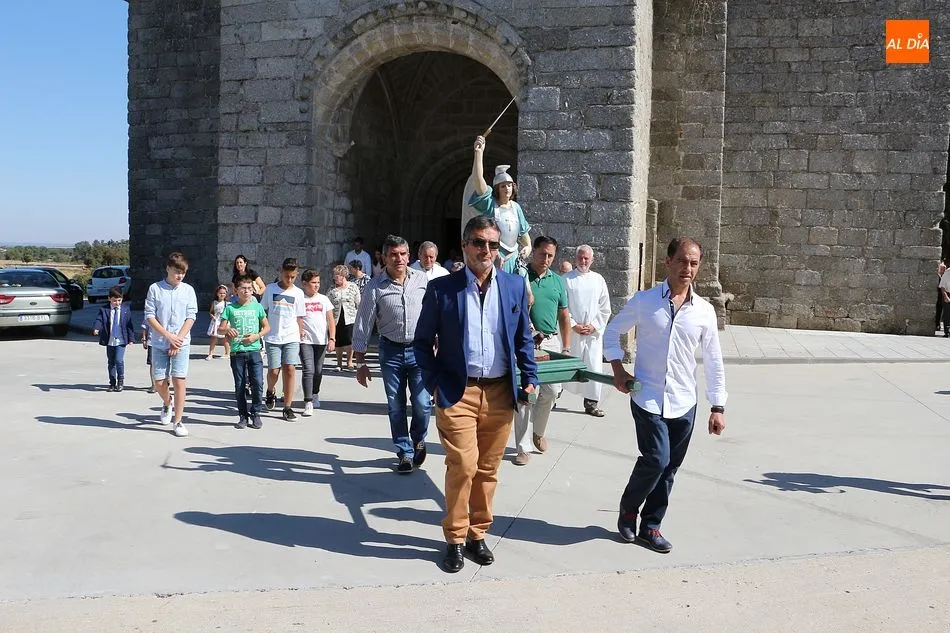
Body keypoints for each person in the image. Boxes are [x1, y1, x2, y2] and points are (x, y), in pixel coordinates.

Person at [415, 215, 537, 573]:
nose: (486, 250)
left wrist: (529, 376)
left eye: (493, 244)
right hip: (458, 391)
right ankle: (454, 538)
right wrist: (434, 383)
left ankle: (477, 533)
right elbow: (422, 342)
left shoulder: (514, 286)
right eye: (479, 243)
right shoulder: (442, 289)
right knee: (463, 465)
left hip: (500, 391)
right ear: (465, 245)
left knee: (487, 469)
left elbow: (522, 337)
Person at [604, 237, 727, 553]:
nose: (688, 268)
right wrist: (618, 369)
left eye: (694, 263)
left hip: (684, 401)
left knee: (670, 468)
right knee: (656, 460)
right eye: (682, 261)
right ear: (668, 261)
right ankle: (629, 510)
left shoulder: (704, 311)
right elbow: (612, 331)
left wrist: (717, 405)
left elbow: (713, 359)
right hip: (647, 396)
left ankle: (651, 526)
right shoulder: (645, 301)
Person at [352, 234, 431, 473]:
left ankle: (418, 439)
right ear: (385, 258)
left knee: (422, 404)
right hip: (391, 352)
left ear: (409, 256)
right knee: (396, 405)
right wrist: (360, 363)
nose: (399, 259)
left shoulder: (422, 280)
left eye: (403, 254)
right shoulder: (375, 286)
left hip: (419, 351)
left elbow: (433, 313)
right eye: (393, 255)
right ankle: (404, 452)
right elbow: (363, 323)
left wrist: (438, 341)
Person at [512, 235, 571, 466]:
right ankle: (523, 447)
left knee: (552, 391)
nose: (546, 259)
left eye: (550, 255)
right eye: (542, 254)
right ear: (533, 251)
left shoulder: (557, 281)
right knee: (527, 394)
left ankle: (538, 432)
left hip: (551, 342)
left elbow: (564, 315)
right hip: (525, 342)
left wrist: (566, 347)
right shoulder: (520, 277)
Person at [144, 251, 198, 437]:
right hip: (160, 341)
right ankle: (168, 402)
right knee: (159, 381)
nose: (180, 276)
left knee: (179, 379)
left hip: (181, 342)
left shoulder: (188, 290)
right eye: (177, 272)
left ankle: (178, 420)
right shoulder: (155, 289)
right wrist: (168, 336)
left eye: (183, 272)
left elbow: (191, 316)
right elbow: (150, 316)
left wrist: (178, 339)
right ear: (168, 268)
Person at [468, 135, 531, 274]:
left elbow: (523, 234)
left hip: (514, 258)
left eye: (509, 185)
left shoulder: (516, 207)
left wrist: (528, 247)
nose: (507, 188)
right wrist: (479, 153)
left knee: (523, 283)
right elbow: (478, 180)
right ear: (497, 189)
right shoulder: (490, 204)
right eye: (503, 186)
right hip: (494, 257)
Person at [562, 245, 612, 417]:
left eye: (586, 258)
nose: (583, 261)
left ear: (592, 260)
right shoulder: (566, 279)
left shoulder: (598, 280)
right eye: (580, 258)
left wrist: (594, 325)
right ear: (576, 258)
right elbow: (562, 306)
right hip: (572, 332)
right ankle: (553, 396)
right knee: (566, 365)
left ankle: (591, 403)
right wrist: (573, 324)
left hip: (592, 334)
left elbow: (605, 307)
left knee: (593, 367)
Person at [219, 274, 270, 429]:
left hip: (254, 350)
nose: (247, 291)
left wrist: (257, 336)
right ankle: (243, 415)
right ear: (236, 290)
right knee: (240, 385)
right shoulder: (230, 308)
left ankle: (256, 412)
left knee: (258, 383)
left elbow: (267, 327)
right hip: (237, 352)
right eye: (243, 288)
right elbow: (220, 329)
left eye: (249, 288)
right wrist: (227, 330)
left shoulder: (257, 307)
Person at [261, 257, 306, 421]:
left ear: (297, 274)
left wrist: (300, 333)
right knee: (274, 371)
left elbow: (299, 316)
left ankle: (287, 407)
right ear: (281, 272)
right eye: (287, 276)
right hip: (273, 336)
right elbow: (262, 311)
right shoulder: (270, 289)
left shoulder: (298, 293)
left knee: (290, 369)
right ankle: (270, 390)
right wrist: (261, 331)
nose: (289, 279)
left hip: (291, 336)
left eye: (293, 276)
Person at [300, 269, 336, 416]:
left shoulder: (324, 299)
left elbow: (331, 320)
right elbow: (296, 318)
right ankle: (308, 401)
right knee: (308, 369)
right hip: (305, 340)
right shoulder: (300, 299)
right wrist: (299, 330)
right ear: (304, 283)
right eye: (313, 282)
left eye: (318, 282)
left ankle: (315, 394)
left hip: (321, 340)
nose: (316, 285)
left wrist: (332, 338)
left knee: (318, 370)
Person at [92, 286, 136, 392]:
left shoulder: (125, 309)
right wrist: (96, 328)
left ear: (122, 299)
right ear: (109, 299)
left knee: (119, 360)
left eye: (119, 300)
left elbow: (129, 324)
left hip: (121, 339)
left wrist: (131, 338)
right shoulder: (104, 309)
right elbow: (99, 320)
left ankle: (120, 381)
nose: (117, 303)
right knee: (111, 362)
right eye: (114, 300)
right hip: (110, 339)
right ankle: (112, 383)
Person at [327, 265, 360, 370]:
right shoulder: (331, 289)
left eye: (337, 275)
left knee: (349, 340)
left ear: (343, 276)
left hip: (350, 317)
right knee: (339, 341)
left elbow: (358, 302)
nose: (335, 277)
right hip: (336, 318)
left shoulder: (353, 287)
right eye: (334, 275)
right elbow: (327, 304)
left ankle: (349, 362)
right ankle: (339, 363)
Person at [206, 284, 230, 360]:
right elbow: (211, 311)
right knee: (214, 338)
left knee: (225, 339)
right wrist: (212, 316)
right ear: (217, 293)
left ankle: (227, 353)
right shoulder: (214, 302)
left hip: (224, 322)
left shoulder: (227, 303)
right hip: (215, 321)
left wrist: (227, 323)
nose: (222, 295)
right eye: (220, 293)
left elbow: (229, 314)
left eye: (224, 293)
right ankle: (210, 354)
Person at [936, 261, 947, 334]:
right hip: (938, 297)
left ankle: (938, 324)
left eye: (944, 269)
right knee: (938, 311)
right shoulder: (937, 277)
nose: (943, 271)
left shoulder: (945, 277)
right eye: (942, 269)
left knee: (941, 312)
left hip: (942, 297)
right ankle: (937, 324)